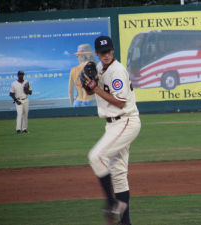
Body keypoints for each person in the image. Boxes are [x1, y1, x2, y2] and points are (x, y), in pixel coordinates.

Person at [86, 36, 141, 225]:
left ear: (113, 51)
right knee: (118, 174)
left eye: (109, 51)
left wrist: (95, 89)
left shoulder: (117, 71)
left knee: (96, 156)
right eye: (102, 52)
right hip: (112, 124)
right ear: (97, 53)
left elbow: (119, 102)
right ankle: (125, 222)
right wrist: (89, 85)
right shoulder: (100, 69)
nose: (106, 54)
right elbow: (90, 90)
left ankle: (111, 204)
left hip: (125, 121)